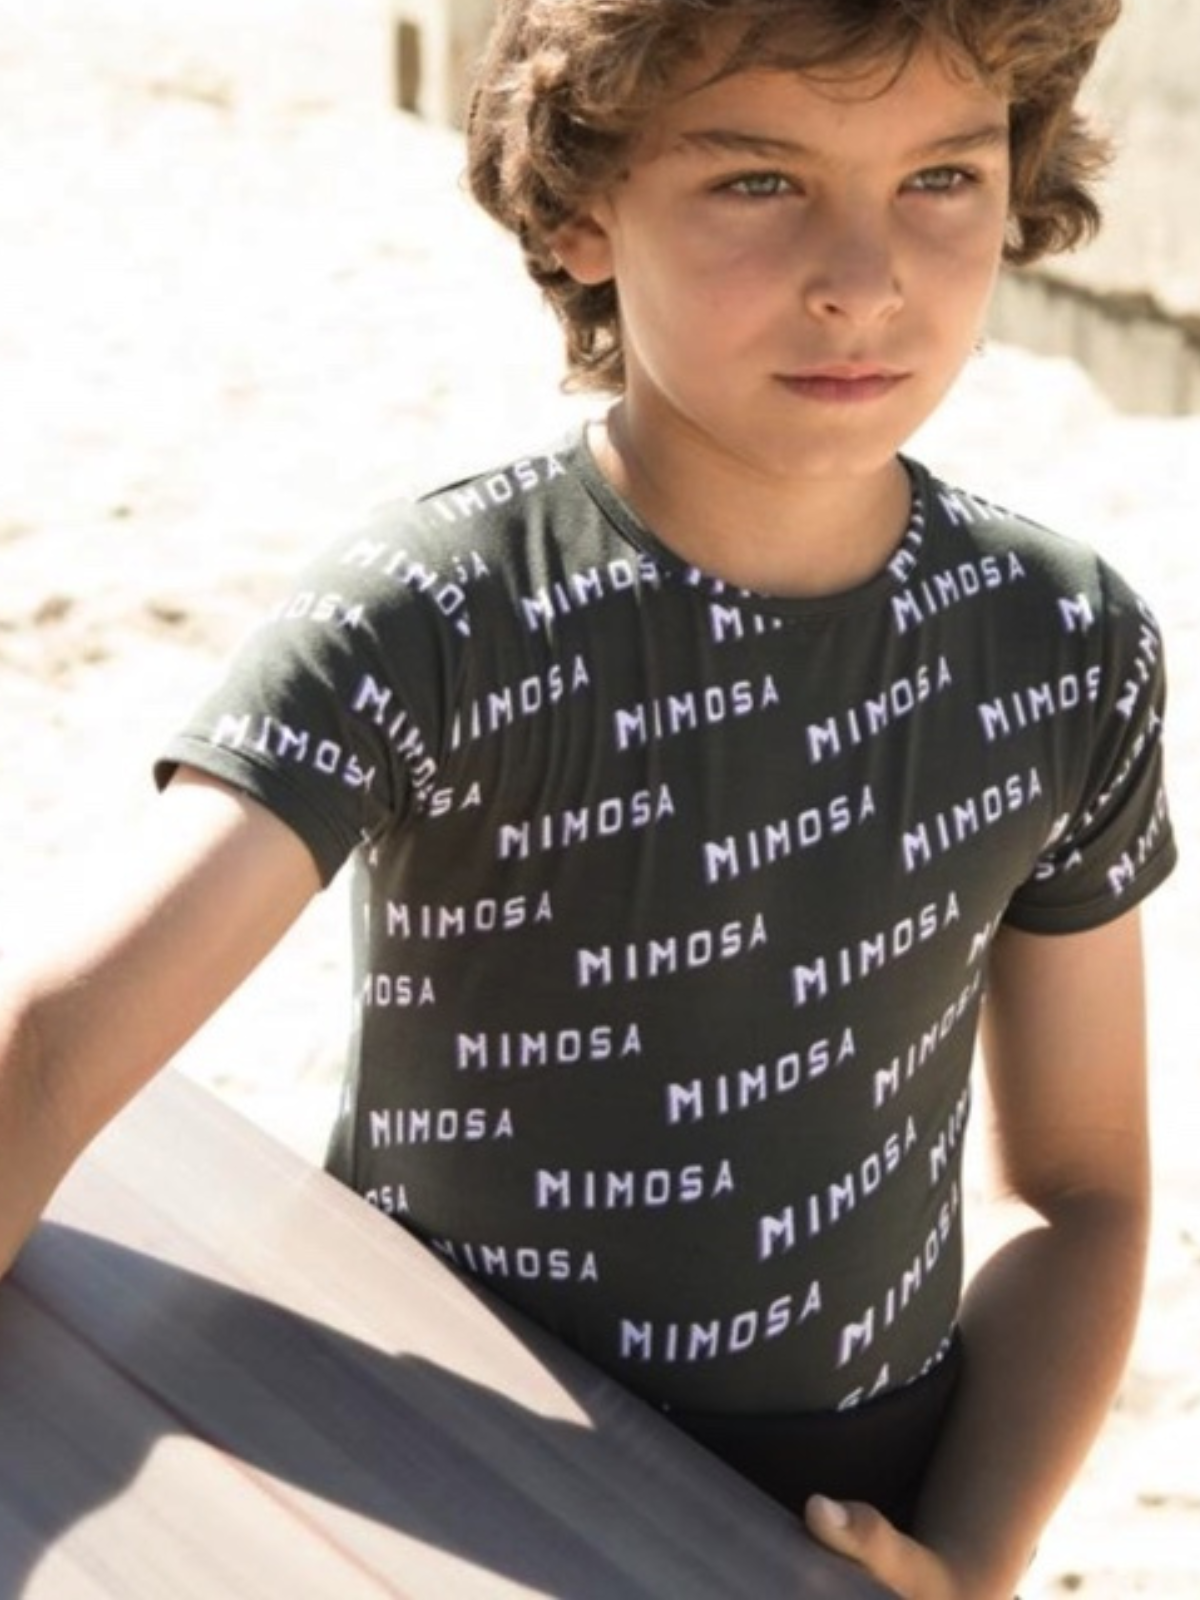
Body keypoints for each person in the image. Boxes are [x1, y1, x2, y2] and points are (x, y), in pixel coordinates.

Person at [0, 0, 1174, 1594]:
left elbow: (1080, 1192)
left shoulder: (1068, 641)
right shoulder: (435, 613)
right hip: (428, 1485)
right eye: (759, 182)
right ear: (581, 212)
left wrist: (971, 1552)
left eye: (940, 181)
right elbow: (54, 1040)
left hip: (840, 1526)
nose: (865, 274)